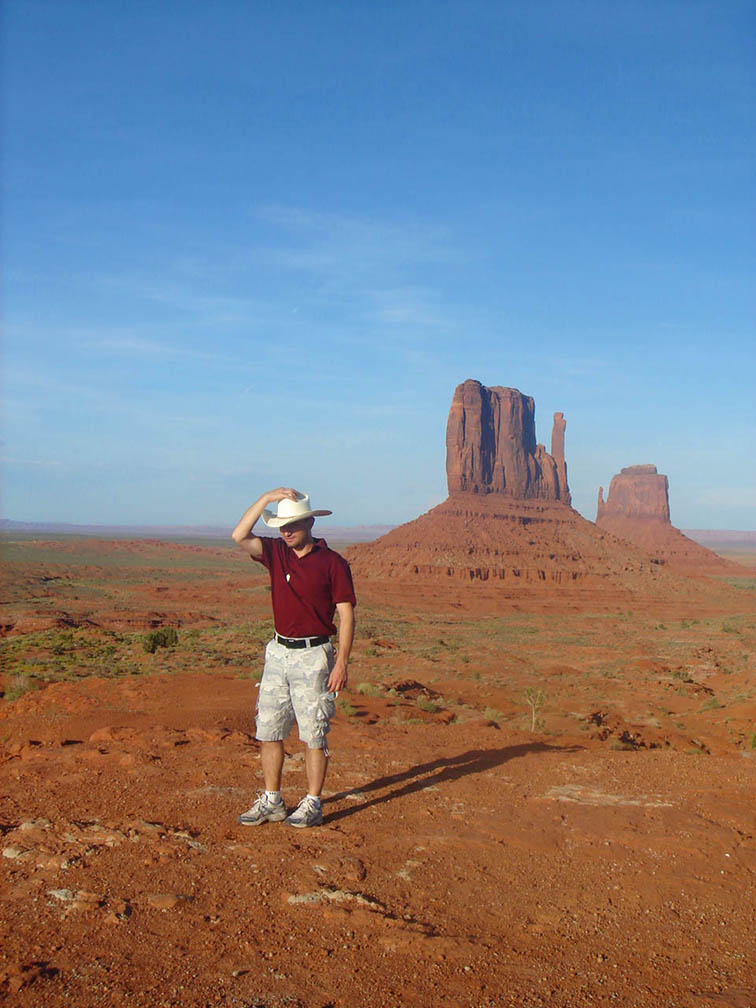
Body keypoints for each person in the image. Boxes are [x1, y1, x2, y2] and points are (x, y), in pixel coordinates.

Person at [231, 487, 356, 828]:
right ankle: (272, 800)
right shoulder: (275, 552)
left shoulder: (333, 564)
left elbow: (346, 615)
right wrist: (265, 499)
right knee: (269, 730)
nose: (286, 531)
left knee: (314, 733)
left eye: (293, 524)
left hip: (314, 655)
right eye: (281, 525)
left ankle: (313, 802)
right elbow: (239, 535)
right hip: (277, 653)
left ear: (310, 522)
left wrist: (342, 661)